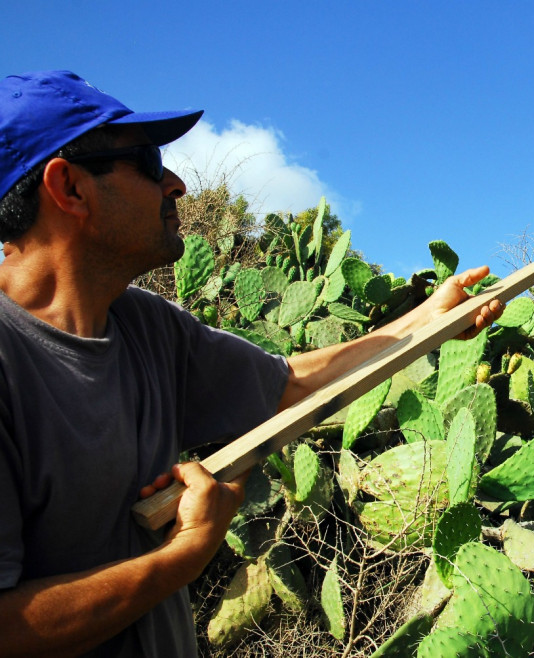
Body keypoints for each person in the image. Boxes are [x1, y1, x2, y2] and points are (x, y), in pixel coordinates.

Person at [0, 70, 502, 657]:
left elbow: (288, 385)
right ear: (70, 188)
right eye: (147, 160)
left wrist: (426, 320)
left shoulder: (146, 327)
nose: (177, 183)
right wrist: (185, 554)